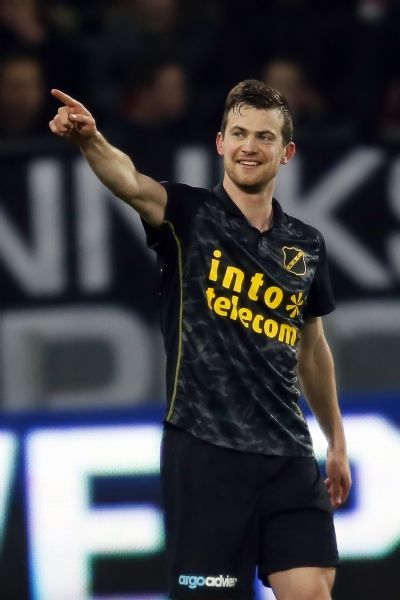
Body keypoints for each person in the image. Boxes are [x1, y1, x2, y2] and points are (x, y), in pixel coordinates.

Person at [49, 79, 352, 600]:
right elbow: (130, 183)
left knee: (311, 592)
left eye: (264, 136)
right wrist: (90, 140)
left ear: (286, 152)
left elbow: (312, 349)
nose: (249, 147)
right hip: (205, 454)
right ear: (220, 143)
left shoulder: (305, 245)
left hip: (288, 455)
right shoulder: (188, 216)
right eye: (239, 133)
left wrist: (337, 442)